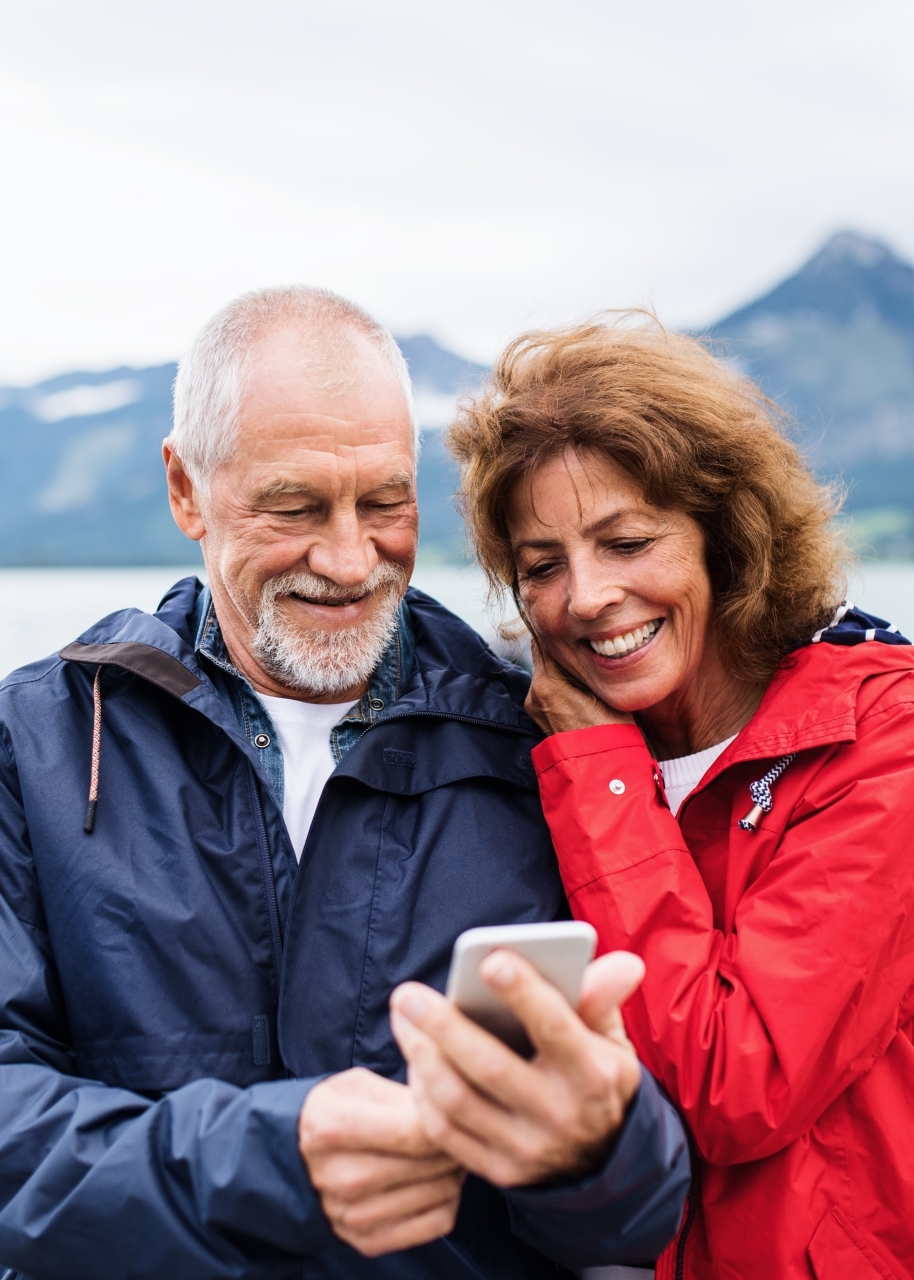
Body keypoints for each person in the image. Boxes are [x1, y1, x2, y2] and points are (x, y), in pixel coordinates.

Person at [0, 289, 689, 1280]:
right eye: (293, 505)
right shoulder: (37, 742)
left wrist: (594, 1148)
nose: (348, 557)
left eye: (384, 502)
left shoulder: (546, 740)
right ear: (185, 489)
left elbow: (643, 1210)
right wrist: (259, 1161)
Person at [448, 317, 914, 1280]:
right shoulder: (532, 750)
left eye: (626, 541)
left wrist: (598, 773)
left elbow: (734, 1081)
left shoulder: (883, 741)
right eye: (541, 566)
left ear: (725, 535)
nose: (584, 597)